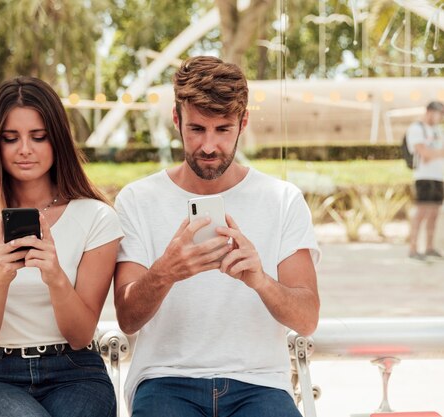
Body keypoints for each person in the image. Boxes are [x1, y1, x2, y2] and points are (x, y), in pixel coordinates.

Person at [113, 56, 320, 417]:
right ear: (177, 120)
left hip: (260, 384)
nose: (208, 147)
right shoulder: (137, 199)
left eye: (222, 130)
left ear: (243, 123)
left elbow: (307, 319)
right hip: (165, 381)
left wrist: (260, 280)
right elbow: (127, 319)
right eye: (196, 129)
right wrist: (166, 271)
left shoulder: (282, 199)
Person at [0, 76, 123, 417]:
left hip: (76, 372)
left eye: (38, 137)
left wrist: (55, 276)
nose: (25, 149)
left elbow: (80, 334)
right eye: (10, 138)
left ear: (57, 141)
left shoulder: (96, 217)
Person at [407, 101, 444, 261]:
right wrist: (437, 153)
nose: (440, 116)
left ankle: (429, 247)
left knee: (434, 212)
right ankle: (413, 248)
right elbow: (424, 153)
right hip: (423, 176)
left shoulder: (438, 130)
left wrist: (433, 153)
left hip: (438, 176)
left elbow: (431, 153)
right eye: (438, 112)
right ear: (429, 111)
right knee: (422, 211)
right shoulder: (416, 128)